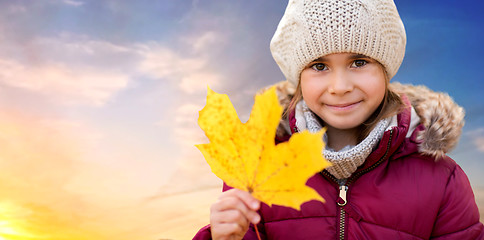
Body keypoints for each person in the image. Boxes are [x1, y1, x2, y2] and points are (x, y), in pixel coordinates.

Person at [193, 0, 484, 239]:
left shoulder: (442, 180)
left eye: (359, 62)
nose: (340, 86)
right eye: (319, 66)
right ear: (299, 81)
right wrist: (222, 236)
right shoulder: (256, 169)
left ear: (386, 70)